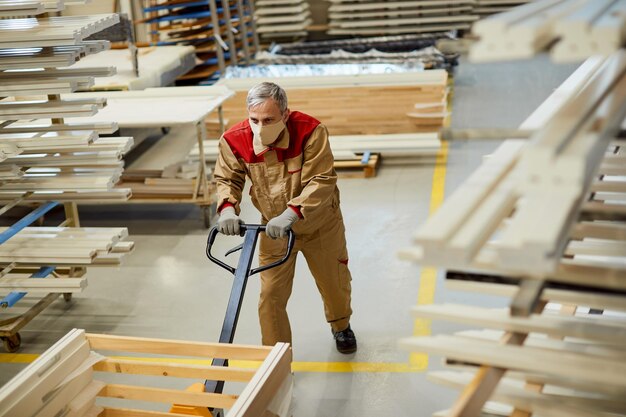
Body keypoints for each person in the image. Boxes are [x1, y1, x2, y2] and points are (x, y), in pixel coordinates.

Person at [213, 81, 357, 354]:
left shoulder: (310, 131)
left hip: (320, 224)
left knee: (334, 282)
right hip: (273, 229)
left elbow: (322, 179)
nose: (261, 126)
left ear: (285, 114)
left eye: (269, 119)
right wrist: (228, 208)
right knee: (270, 296)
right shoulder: (234, 139)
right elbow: (226, 178)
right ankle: (275, 356)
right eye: (254, 120)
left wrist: (293, 213)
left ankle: (341, 326)